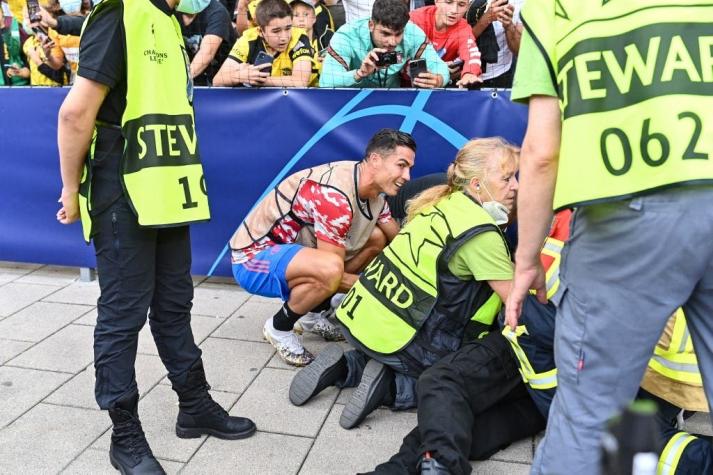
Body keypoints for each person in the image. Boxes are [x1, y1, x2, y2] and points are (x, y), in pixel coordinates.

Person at [505, 1, 713, 473]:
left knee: (588, 418)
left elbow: (540, 152)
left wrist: (526, 260)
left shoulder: (550, 10)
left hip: (626, 221)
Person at [56, 0, 257, 472]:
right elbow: (75, 113)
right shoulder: (117, 14)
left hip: (167, 189)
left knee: (173, 305)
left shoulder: (168, 19)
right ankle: (124, 435)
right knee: (122, 315)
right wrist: (70, 189)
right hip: (121, 190)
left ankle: (194, 404)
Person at [372, 211, 713, 474]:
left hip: (562, 357)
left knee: (459, 414)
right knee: (451, 412)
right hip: (555, 359)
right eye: (506, 177)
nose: (515, 184)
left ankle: (411, 449)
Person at [289, 137, 519, 430]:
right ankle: (391, 387)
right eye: (507, 178)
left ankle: (346, 367)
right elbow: (515, 302)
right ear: (476, 184)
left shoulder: (441, 202)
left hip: (371, 321)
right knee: (447, 384)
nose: (515, 186)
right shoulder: (480, 235)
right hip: (419, 340)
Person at [230, 128, 414, 366]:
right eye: (401, 165)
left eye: (409, 167)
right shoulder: (334, 194)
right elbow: (332, 271)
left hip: (296, 255)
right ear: (375, 160)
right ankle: (278, 328)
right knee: (329, 271)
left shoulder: (373, 190)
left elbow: (395, 236)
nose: (407, 176)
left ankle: (312, 316)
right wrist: (385, 292)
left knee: (376, 238)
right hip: (253, 259)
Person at [319, 0, 449, 89]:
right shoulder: (346, 35)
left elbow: (439, 67)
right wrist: (360, 73)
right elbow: (326, 82)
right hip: (352, 100)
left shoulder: (412, 32)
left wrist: (438, 80)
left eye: (398, 34)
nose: (392, 42)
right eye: (385, 34)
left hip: (393, 100)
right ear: (371, 25)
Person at [213, 0, 317, 87]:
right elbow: (217, 80)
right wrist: (240, 75)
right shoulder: (248, 39)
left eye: (288, 28)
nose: (284, 37)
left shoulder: (299, 35)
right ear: (260, 31)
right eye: (276, 31)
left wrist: (257, 79)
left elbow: (300, 81)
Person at [409, 0, 482, 89]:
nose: (454, 10)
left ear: (467, 6)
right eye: (448, 2)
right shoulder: (415, 18)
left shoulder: (463, 29)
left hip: (442, 87)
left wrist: (469, 74)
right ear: (436, 1)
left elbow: (472, 56)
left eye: (461, 4)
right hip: (402, 86)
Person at [179, 0, 235, 86]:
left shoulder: (217, 12)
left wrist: (181, 81)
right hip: (188, 78)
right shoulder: (171, 12)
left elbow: (207, 54)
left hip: (215, 84)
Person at [467, 0, 521, 88]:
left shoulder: (520, 3)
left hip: (501, 74)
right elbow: (456, 43)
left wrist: (508, 26)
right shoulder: (457, 4)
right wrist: (485, 20)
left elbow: (518, 51)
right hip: (463, 74)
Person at [290, 0, 332, 76]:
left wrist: (332, 62)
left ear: (314, 19)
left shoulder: (328, 36)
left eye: (306, 14)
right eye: (296, 15)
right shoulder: (285, 39)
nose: (301, 19)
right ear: (290, 20)